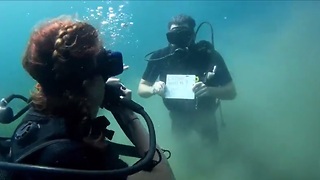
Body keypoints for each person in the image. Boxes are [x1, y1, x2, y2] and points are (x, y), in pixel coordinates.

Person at [7, 15, 175, 180]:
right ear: (87, 84)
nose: (106, 81)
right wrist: (126, 113)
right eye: (104, 74)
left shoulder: (36, 118)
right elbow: (164, 177)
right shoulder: (72, 155)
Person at [137, 14, 237, 146]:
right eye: (173, 35)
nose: (178, 39)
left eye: (184, 34)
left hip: (206, 115)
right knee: (183, 150)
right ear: (168, 36)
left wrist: (209, 90)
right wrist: (153, 89)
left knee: (211, 150)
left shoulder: (208, 55)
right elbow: (141, 89)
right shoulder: (160, 57)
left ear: (193, 35)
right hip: (177, 116)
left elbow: (231, 92)